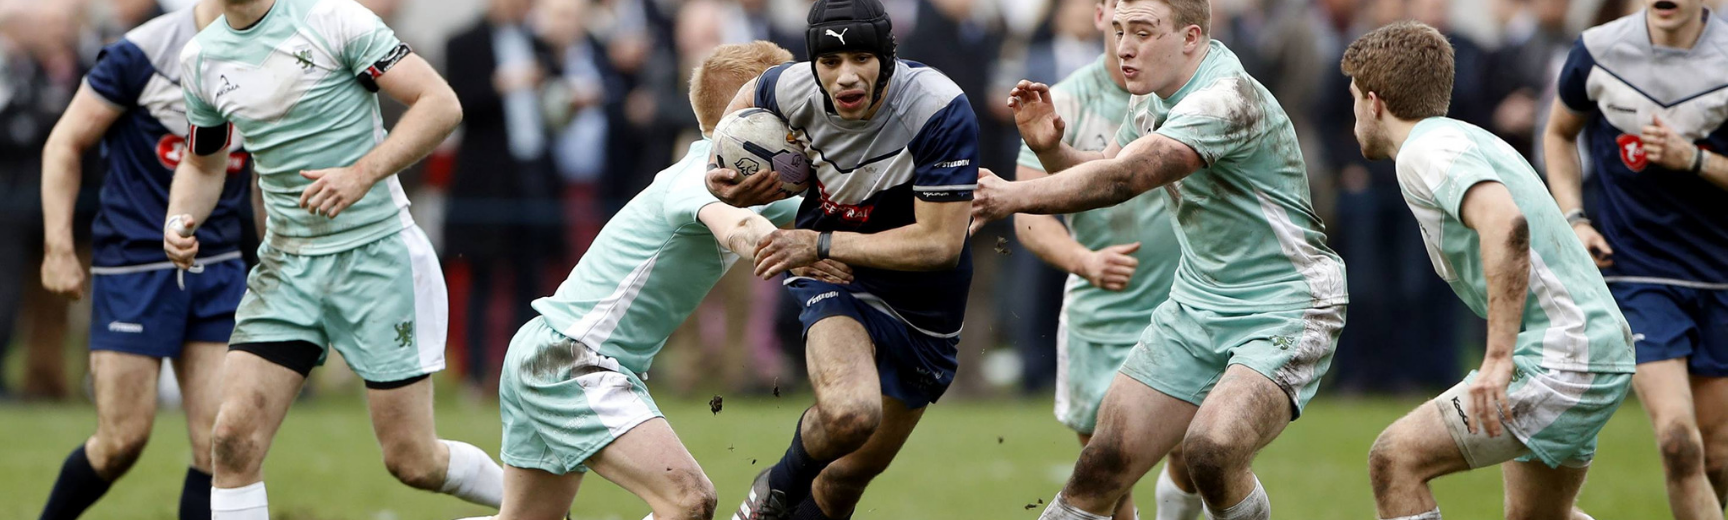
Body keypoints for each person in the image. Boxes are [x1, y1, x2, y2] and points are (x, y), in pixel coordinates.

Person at [971, 0, 1349, 517]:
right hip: (1197, 303)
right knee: (1100, 465)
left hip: (1286, 304)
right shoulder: (1153, 97)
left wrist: (1011, 195)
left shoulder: (1224, 99)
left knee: (1211, 451)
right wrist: (1051, 150)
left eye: (1143, 32)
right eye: (1120, 29)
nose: (1123, 45)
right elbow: (1107, 165)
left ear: (1191, 37)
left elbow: (1126, 180)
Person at [475, 41, 858, 520]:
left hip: (548, 350)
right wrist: (798, 252)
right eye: (789, 102)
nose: (804, 121)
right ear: (757, 115)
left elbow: (843, 221)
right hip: (571, 358)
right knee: (689, 500)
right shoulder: (697, 175)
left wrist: (943, 205)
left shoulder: (754, 185)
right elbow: (739, 228)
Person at [162, 0, 504, 517]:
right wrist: (178, 219)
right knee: (232, 440)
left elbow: (440, 104)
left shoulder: (334, 20)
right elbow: (203, 165)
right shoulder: (201, 58)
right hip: (287, 267)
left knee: (413, 459)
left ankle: (535, 507)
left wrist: (361, 173)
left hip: (377, 257)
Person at [1342, 21, 1636, 520]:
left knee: (1395, 460)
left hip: (1564, 356)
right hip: (1593, 348)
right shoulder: (1460, 137)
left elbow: (1506, 225)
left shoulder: (1423, 151)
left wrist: (1498, 359)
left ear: (1373, 102)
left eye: (1352, 99)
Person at [705, 1, 980, 518]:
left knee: (845, 479)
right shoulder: (784, 86)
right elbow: (733, 122)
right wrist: (715, 175)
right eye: (830, 62)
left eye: (861, 57)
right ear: (813, 64)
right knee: (852, 414)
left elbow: (939, 246)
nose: (846, 76)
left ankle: (788, 489)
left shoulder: (938, 107)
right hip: (835, 277)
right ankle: (775, 491)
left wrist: (819, 243)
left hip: (925, 302)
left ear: (887, 56)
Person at [35, 2, 250, 519]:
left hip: (220, 263)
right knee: (122, 441)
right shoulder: (142, 53)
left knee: (220, 446)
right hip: (135, 263)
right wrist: (58, 247)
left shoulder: (280, 53)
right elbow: (64, 143)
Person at [1002, 0, 1196, 518]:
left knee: (1198, 454)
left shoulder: (1197, 98)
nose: (1129, 36)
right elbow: (1028, 213)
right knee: (1109, 477)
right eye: (1118, 18)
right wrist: (1083, 260)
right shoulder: (1063, 101)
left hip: (1190, 307)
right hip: (1103, 317)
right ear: (1100, 18)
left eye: (1143, 22)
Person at [1543, 0, 1728, 518]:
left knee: (1717, 457)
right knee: (1677, 440)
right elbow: (1558, 134)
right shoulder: (1600, 50)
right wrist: (1574, 217)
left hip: (1720, 278)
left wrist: (1693, 159)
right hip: (1638, 272)